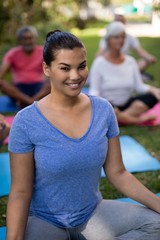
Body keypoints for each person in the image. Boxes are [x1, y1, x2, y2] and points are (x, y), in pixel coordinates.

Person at [6, 30, 160, 240]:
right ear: (46, 68)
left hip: (93, 214)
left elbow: (118, 173)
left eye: (81, 66)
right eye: (64, 68)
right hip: (45, 220)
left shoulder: (103, 110)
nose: (75, 76)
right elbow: (20, 193)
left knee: (156, 225)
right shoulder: (26, 121)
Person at [89, 21, 160, 125]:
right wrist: (96, 106)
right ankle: (138, 120)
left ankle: (118, 120)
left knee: (152, 97)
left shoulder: (130, 61)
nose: (121, 40)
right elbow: (94, 91)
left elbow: (139, 86)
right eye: (116, 37)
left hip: (127, 104)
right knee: (107, 108)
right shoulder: (99, 63)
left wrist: (154, 90)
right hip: (109, 105)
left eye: (123, 37)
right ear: (108, 40)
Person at [97, 12, 156, 81]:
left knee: (139, 62)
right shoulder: (107, 38)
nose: (120, 41)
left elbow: (140, 51)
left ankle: (129, 75)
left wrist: (150, 58)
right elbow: (99, 55)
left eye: (123, 38)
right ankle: (133, 75)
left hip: (124, 65)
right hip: (110, 65)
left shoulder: (130, 58)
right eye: (116, 37)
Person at [0, 25, 50, 107]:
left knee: (55, 81)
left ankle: (26, 102)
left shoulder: (43, 51)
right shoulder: (12, 53)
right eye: (25, 38)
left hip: (39, 88)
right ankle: (32, 102)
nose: (28, 41)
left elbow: (53, 68)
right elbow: (1, 74)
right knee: (2, 84)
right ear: (20, 40)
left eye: (30, 38)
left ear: (34, 39)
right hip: (19, 90)